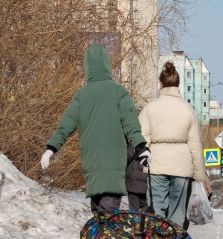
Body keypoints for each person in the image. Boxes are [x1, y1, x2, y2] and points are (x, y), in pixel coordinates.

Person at [42, 45, 149, 214]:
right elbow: (131, 125)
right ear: (107, 64)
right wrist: (141, 147)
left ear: (87, 67)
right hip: (114, 163)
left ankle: (101, 229)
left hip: (91, 163)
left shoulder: (81, 95)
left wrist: (51, 148)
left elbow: (66, 125)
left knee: (99, 213)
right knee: (108, 215)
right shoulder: (119, 92)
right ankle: (104, 230)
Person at [139, 62, 210, 226]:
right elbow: (195, 145)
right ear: (178, 84)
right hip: (181, 166)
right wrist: (199, 174)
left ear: (161, 84)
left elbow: (142, 138)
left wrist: (144, 161)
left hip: (157, 164)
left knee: (156, 206)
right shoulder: (188, 109)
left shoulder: (150, 108)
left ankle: (157, 237)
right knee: (177, 210)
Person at [125, 140, 149, 211]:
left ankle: (134, 218)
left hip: (132, 182)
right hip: (146, 180)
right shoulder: (152, 142)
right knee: (145, 208)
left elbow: (127, 156)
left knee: (133, 209)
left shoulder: (135, 141)